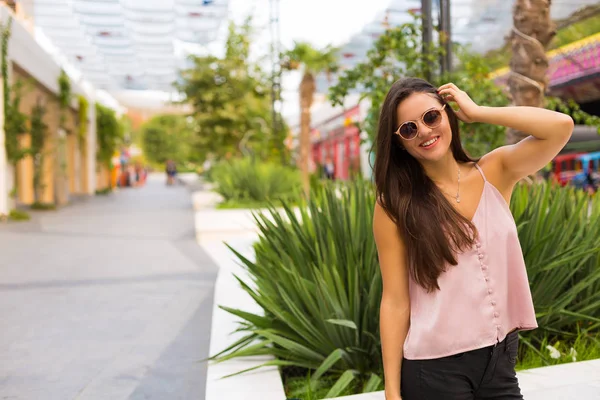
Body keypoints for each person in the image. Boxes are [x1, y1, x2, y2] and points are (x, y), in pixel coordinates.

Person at [372, 78, 574, 400]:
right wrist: (392, 393)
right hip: (434, 370)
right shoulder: (394, 205)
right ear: (399, 143)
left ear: (448, 114)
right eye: (409, 129)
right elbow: (395, 301)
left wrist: (478, 111)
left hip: (498, 361)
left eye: (431, 117)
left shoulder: (494, 171)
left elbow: (560, 126)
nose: (424, 131)